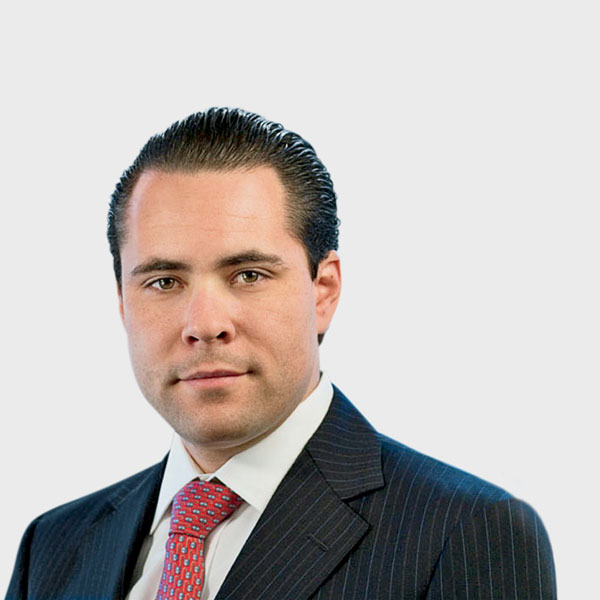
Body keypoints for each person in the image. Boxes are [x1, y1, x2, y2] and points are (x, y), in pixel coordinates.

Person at [6, 108, 556, 599]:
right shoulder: (53, 548)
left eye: (248, 274)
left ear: (323, 291)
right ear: (123, 303)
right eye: (164, 282)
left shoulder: (466, 534)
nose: (205, 325)